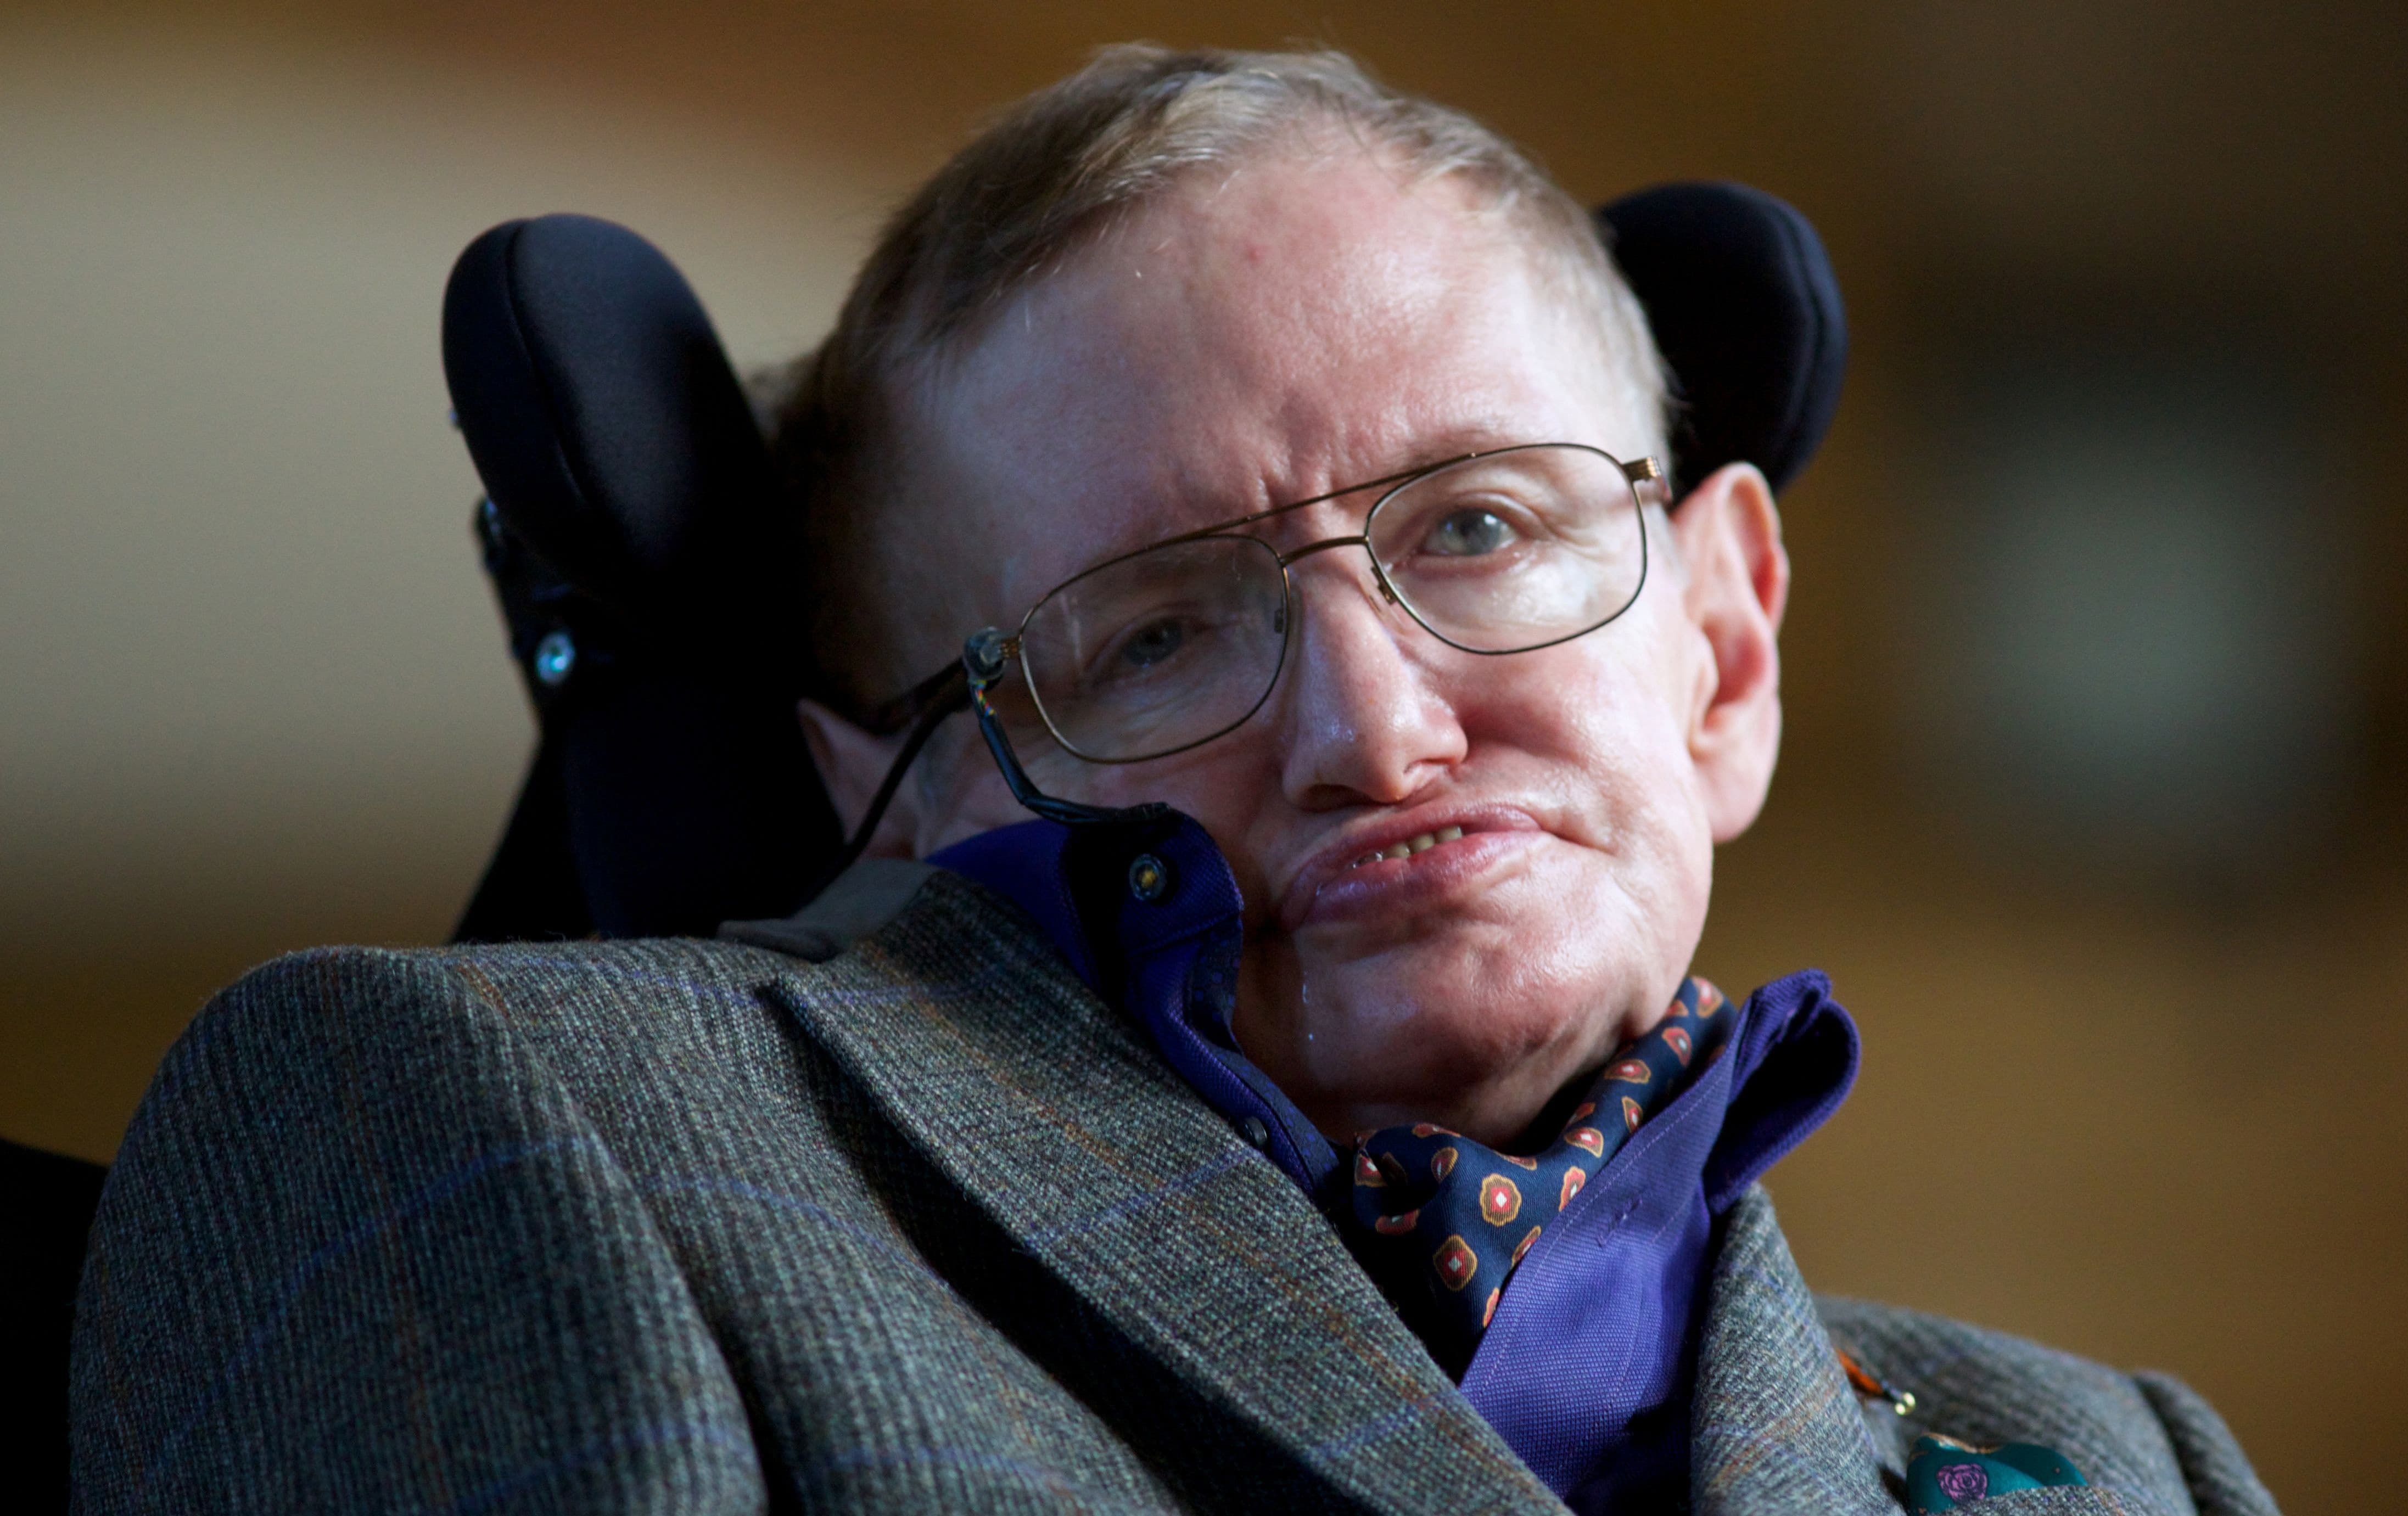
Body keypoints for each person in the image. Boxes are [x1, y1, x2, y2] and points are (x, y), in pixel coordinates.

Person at [70, 46, 2278, 1515]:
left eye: (1480, 529)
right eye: (1149, 633)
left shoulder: (2117, 1457)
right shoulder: (489, 1127)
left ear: (1718, 643)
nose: (1374, 729)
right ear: (902, 795)